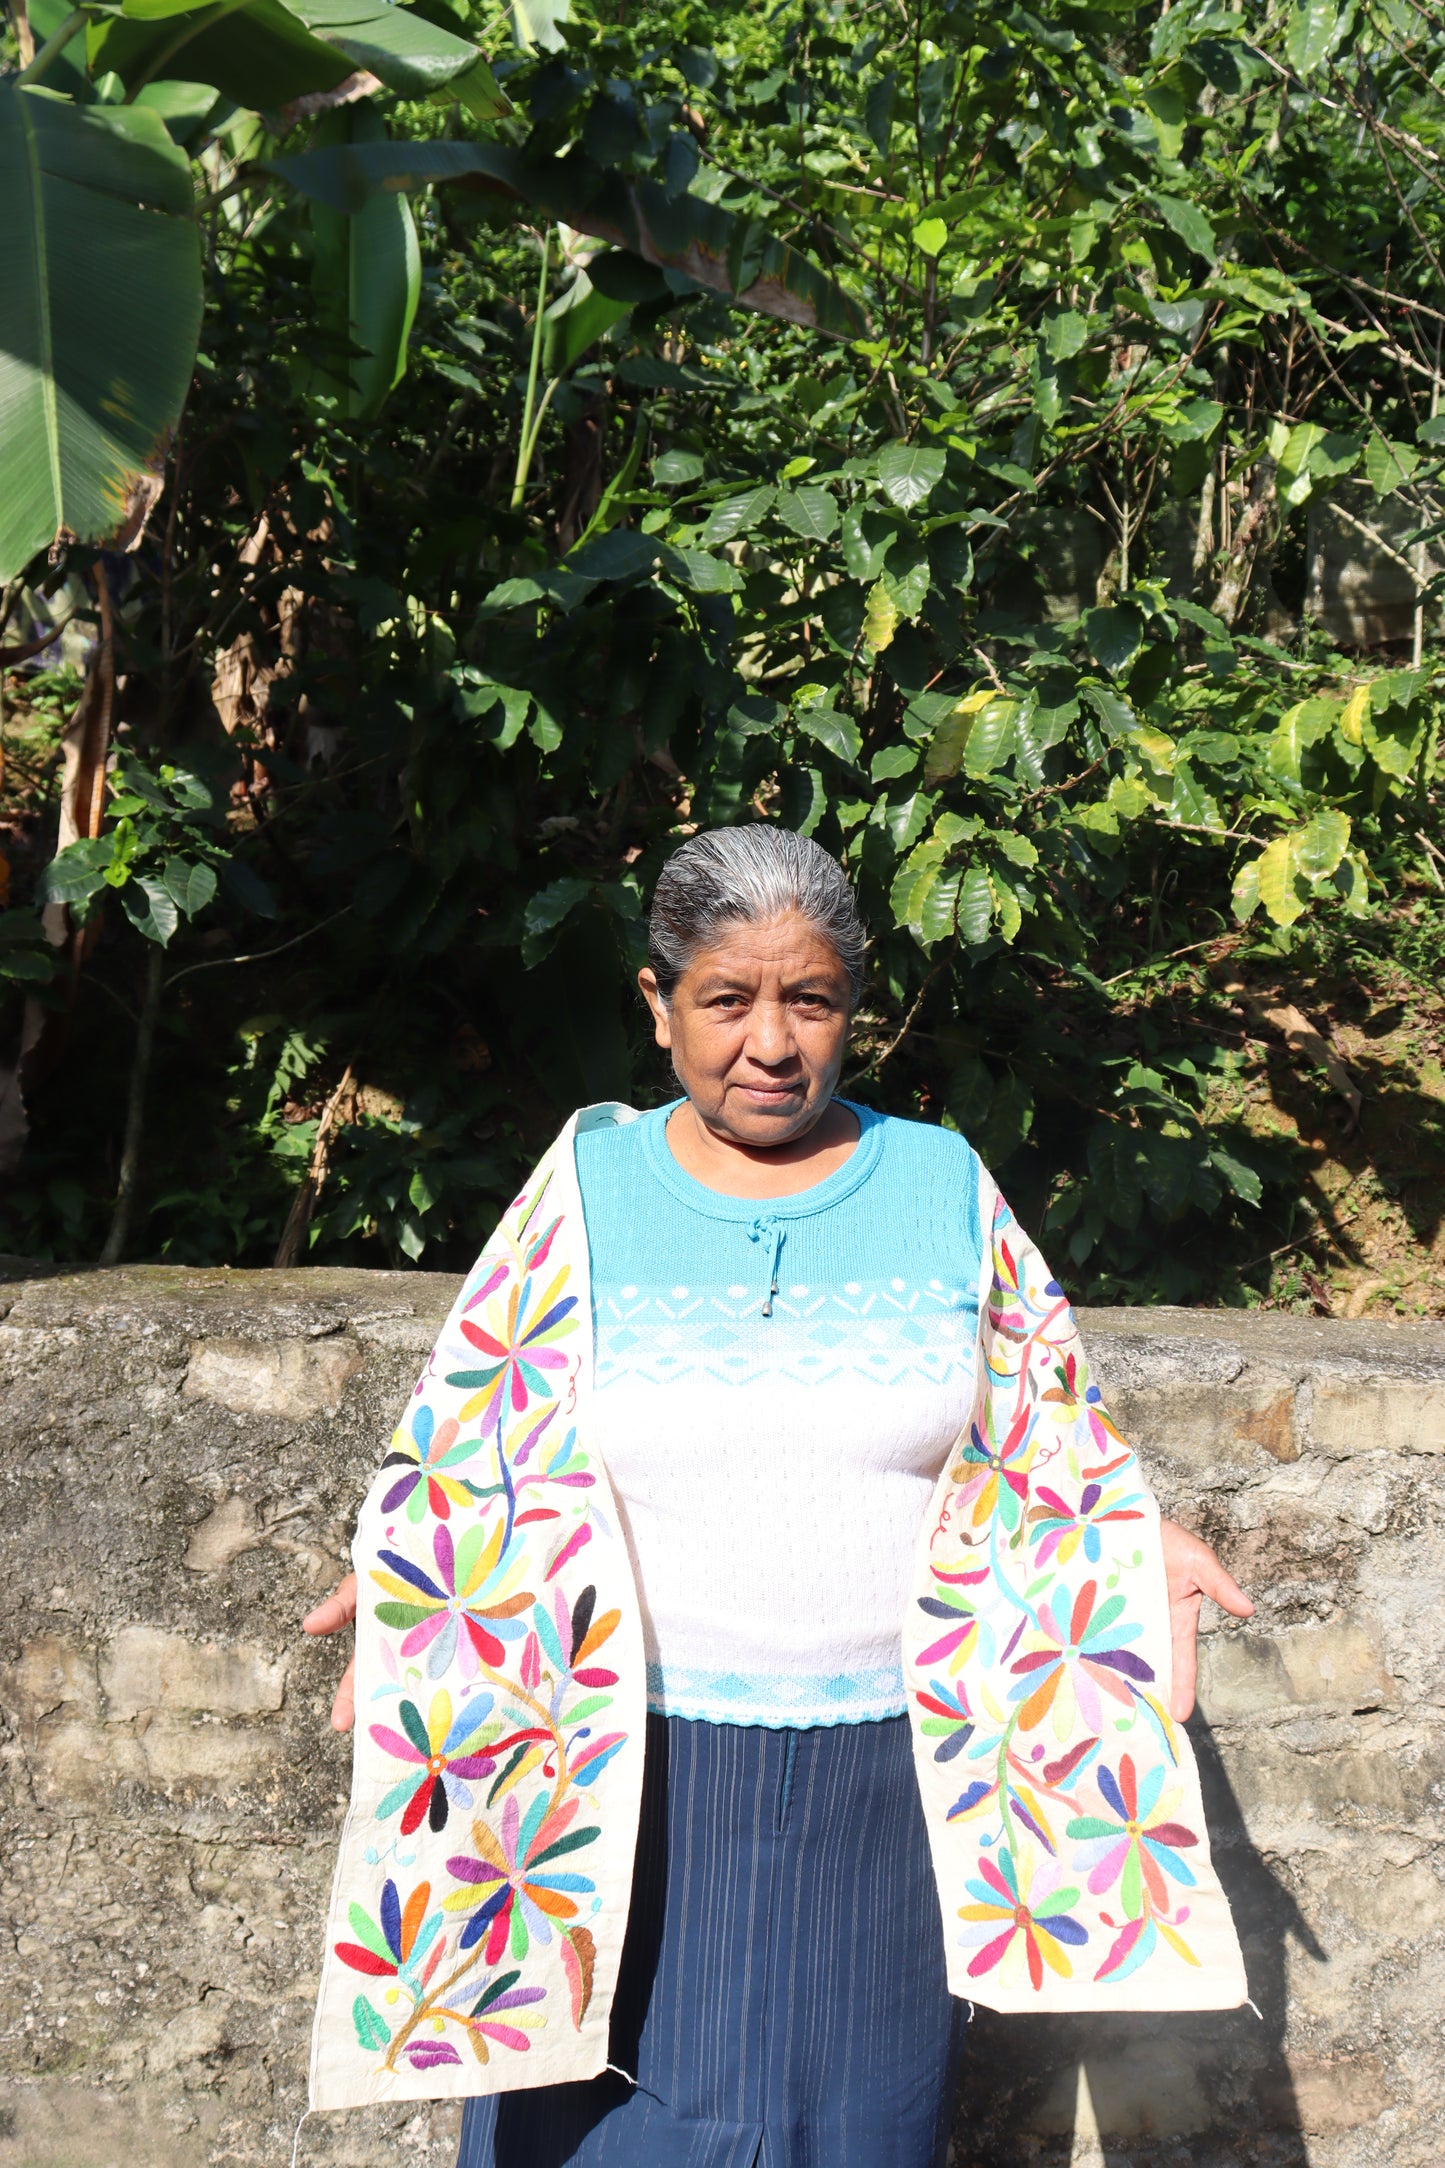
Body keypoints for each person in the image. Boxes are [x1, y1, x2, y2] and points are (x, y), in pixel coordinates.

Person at [302, 824, 1253, 2168]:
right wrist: (412, 1578)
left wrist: (1125, 1543)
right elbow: (480, 1435)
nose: (769, 1042)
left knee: (854, 2137)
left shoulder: (938, 1187)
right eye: (725, 999)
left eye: (807, 1001)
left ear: (850, 1009)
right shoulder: (585, 1191)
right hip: (625, 1784)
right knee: (602, 2135)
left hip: (882, 1789)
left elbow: (1041, 1435)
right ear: (658, 1003)